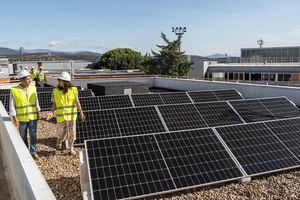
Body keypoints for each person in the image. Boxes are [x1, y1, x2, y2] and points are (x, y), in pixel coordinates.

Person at [46, 72, 85, 155]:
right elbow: (54, 103)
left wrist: (81, 112)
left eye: (60, 80)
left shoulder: (73, 90)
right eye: (59, 80)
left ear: (65, 81)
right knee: (61, 132)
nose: (59, 81)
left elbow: (77, 102)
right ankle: (59, 141)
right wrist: (51, 112)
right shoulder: (55, 91)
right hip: (61, 116)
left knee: (71, 133)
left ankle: (71, 148)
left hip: (71, 115)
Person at [10, 70, 40, 160]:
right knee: (23, 136)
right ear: (22, 80)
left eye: (29, 78)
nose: (29, 80)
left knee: (33, 135)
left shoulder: (33, 88)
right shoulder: (14, 90)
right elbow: (12, 105)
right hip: (21, 118)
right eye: (27, 79)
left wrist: (38, 112)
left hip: (32, 117)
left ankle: (33, 151)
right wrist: (15, 118)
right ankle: (25, 151)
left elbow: (36, 101)